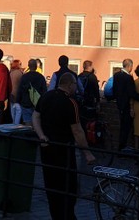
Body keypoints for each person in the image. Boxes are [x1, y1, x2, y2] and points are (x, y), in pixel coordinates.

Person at [32, 72, 95, 220]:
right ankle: (67, 216)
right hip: (63, 150)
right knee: (68, 187)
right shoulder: (70, 103)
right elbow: (77, 130)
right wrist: (87, 153)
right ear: (70, 85)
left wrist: (41, 135)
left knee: (51, 186)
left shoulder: (46, 96)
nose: (75, 88)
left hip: (46, 148)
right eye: (74, 85)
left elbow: (35, 116)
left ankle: (57, 216)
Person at [112, 59, 139, 150]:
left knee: (122, 128)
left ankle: (120, 148)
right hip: (127, 106)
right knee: (126, 128)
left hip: (119, 104)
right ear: (130, 66)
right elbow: (132, 93)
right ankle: (123, 148)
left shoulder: (116, 75)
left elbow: (114, 90)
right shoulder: (128, 77)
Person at [17, 58, 47, 126]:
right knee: (37, 122)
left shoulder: (24, 77)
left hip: (25, 103)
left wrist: (18, 101)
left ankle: (28, 135)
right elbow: (44, 91)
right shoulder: (41, 77)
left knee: (27, 122)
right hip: (37, 104)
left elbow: (20, 90)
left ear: (28, 66)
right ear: (36, 67)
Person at [9, 59, 24, 124]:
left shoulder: (10, 73)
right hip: (17, 95)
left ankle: (13, 123)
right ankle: (16, 124)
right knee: (19, 110)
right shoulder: (20, 73)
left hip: (11, 94)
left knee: (13, 110)